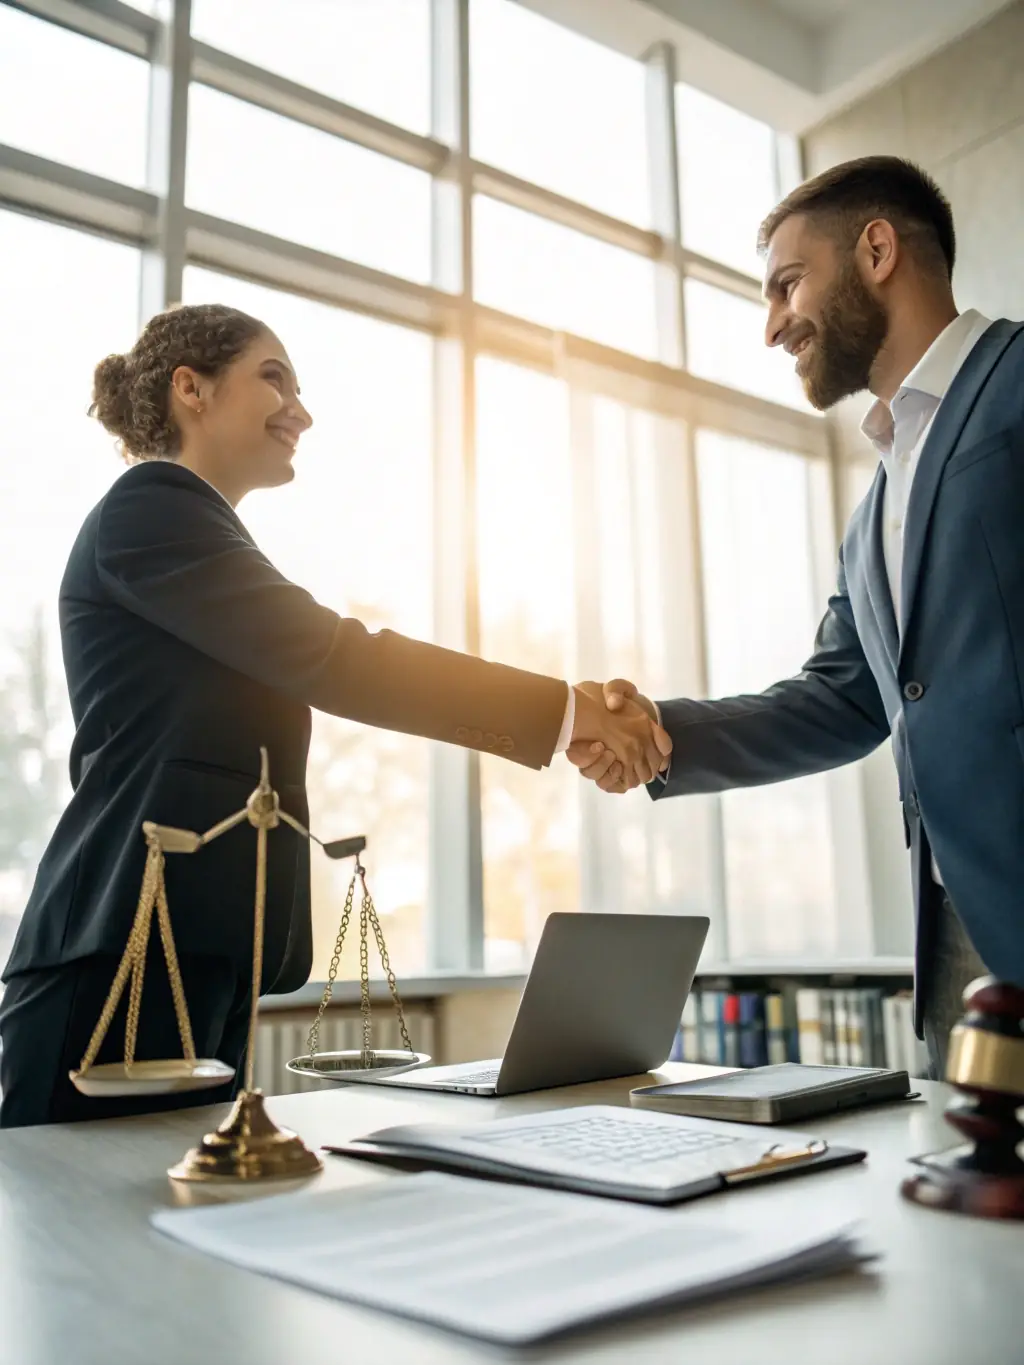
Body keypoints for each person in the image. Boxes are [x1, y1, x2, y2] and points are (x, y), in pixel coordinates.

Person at [0, 302, 671, 1129]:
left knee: (173, 1229)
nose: (301, 410)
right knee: (81, 1237)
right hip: (116, 953)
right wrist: (564, 712)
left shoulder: (201, 534)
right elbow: (339, 658)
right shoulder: (151, 508)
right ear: (191, 389)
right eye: (273, 377)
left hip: (194, 947)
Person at [570, 155, 1024, 1079]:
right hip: (955, 944)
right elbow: (842, 700)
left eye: (787, 285)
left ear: (878, 249)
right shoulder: (874, 513)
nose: (774, 325)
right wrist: (661, 733)